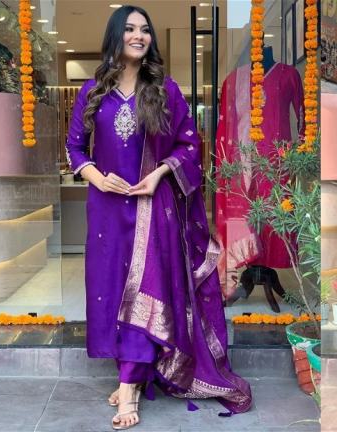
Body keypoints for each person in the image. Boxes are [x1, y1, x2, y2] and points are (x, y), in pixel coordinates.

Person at [65, 5, 252, 430]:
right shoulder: (92, 91)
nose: (139, 36)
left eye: (145, 30)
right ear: (115, 35)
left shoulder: (164, 90)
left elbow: (189, 146)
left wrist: (159, 174)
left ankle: (129, 385)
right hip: (107, 209)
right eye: (130, 29)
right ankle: (133, 371)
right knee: (112, 289)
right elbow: (74, 148)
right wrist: (98, 177)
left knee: (146, 287)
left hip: (153, 207)